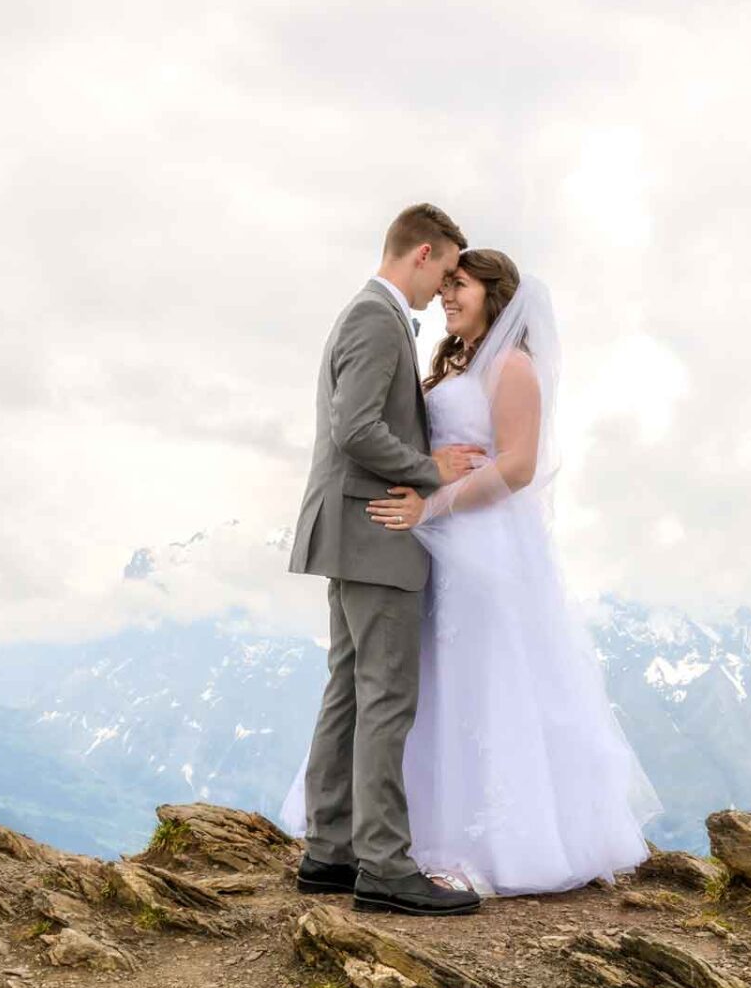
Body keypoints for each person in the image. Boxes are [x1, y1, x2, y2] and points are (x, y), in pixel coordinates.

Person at [280, 244, 664, 900]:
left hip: (482, 548)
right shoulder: (453, 363)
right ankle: (402, 837)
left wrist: (433, 504)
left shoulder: (512, 368)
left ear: (496, 296)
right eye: (447, 285)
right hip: (433, 541)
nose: (448, 298)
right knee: (425, 687)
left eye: (461, 288)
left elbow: (516, 468)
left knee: (483, 684)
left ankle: (492, 842)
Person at [283, 203, 487, 916]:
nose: (445, 288)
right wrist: (430, 468)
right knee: (386, 699)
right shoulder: (376, 317)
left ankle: (330, 851)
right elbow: (357, 430)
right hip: (373, 532)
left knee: (347, 690)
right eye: (446, 270)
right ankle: (384, 866)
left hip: (349, 533)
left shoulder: (366, 314)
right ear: (422, 254)